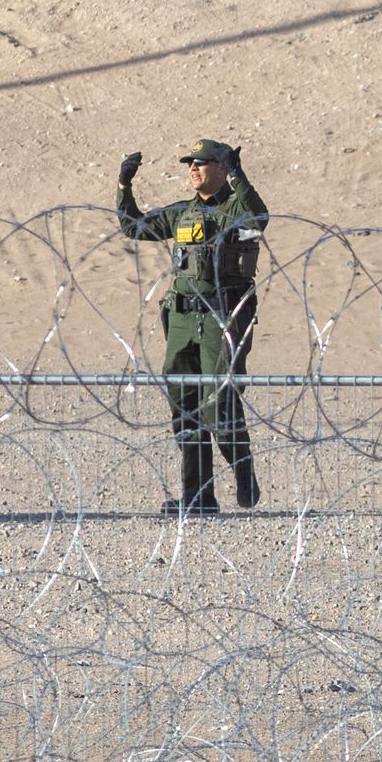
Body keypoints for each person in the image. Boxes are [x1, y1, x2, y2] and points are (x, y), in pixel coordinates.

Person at [115, 141, 268, 518]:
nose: (193, 169)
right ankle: (198, 496)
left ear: (221, 167)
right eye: (190, 164)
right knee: (185, 407)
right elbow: (134, 226)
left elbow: (257, 218)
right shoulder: (183, 214)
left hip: (223, 317)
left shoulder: (236, 210)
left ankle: (243, 473)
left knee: (219, 401)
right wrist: (123, 185)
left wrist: (238, 174)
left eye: (202, 163)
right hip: (182, 320)